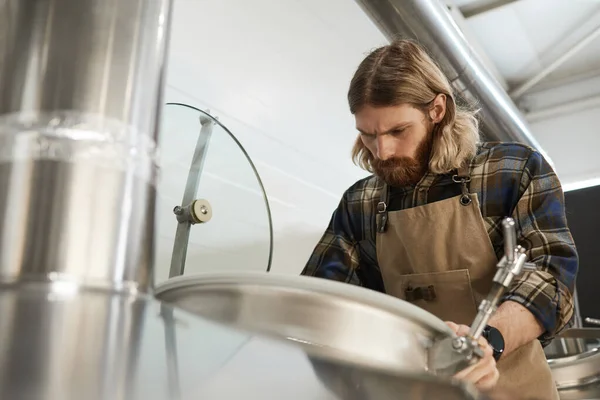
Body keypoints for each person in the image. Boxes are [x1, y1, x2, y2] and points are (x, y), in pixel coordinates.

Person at [301, 39, 578, 399]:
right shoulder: (361, 203)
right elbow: (322, 301)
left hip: (510, 386)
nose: (382, 151)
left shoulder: (512, 171)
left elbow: (551, 277)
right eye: (367, 135)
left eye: (397, 131)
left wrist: (487, 341)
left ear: (436, 110)